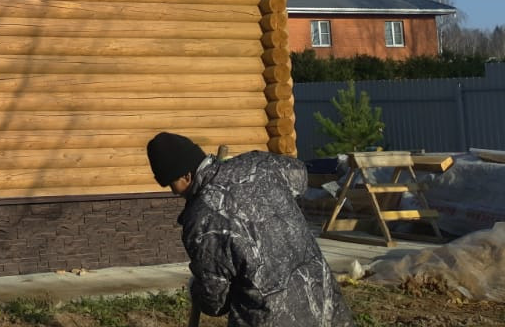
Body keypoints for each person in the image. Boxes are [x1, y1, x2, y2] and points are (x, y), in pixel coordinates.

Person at [146, 131, 353, 327]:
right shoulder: (258, 164)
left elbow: (215, 302)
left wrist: (197, 289)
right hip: (324, 304)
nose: (174, 192)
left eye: (171, 184)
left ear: (187, 176)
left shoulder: (201, 219)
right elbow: (300, 176)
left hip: (268, 318)